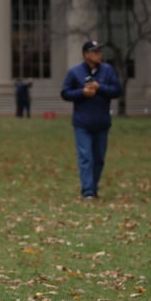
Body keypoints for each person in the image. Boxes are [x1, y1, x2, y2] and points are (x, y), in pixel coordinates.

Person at [59, 39, 122, 200]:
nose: (99, 55)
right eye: (95, 52)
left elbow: (116, 90)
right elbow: (65, 93)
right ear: (86, 55)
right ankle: (87, 191)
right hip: (82, 122)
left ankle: (93, 187)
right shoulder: (75, 72)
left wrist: (100, 88)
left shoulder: (108, 71)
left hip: (102, 121)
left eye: (100, 51)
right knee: (86, 157)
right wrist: (82, 93)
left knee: (99, 158)